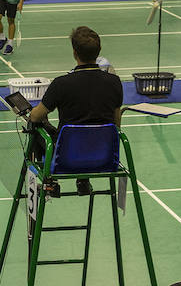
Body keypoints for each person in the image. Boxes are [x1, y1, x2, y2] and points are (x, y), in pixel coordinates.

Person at [27, 26, 123, 192]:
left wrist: (31, 114)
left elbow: (35, 116)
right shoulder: (114, 82)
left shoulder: (61, 84)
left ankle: (50, 182)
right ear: (99, 51)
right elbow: (116, 124)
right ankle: (83, 181)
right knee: (92, 131)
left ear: (74, 53)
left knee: (35, 125)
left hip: (65, 159)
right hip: (105, 158)